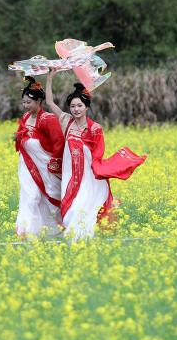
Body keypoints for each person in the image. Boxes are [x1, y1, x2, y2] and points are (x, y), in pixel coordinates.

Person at [44, 73, 146, 240]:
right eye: (73, 106)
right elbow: (49, 102)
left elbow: (98, 154)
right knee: (71, 209)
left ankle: (83, 239)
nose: (76, 109)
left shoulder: (94, 128)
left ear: (86, 107)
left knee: (83, 207)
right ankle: (74, 240)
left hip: (88, 177)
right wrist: (49, 78)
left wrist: (99, 171)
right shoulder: (66, 122)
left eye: (79, 106)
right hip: (70, 177)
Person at [13, 77, 64, 237]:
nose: (25, 105)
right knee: (31, 196)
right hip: (28, 165)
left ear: (39, 101)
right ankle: (27, 231)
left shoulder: (48, 119)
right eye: (24, 102)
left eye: (29, 102)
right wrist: (18, 138)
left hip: (46, 167)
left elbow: (59, 142)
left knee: (51, 196)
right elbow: (21, 135)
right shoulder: (26, 117)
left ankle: (55, 229)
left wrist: (55, 164)